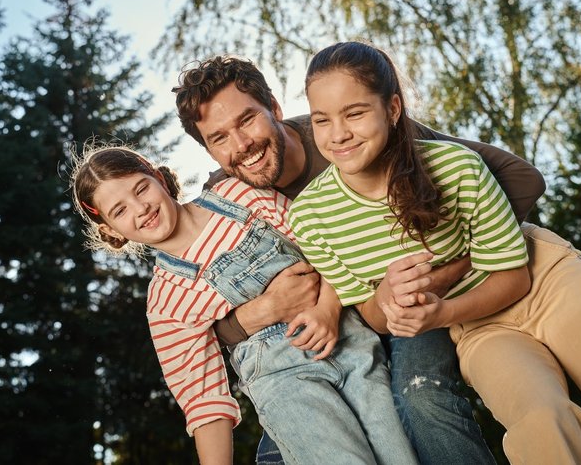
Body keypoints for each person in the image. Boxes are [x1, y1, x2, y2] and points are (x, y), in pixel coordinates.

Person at [286, 41, 581, 465]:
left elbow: (515, 278)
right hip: (477, 327)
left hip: (549, 283)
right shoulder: (311, 216)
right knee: (543, 427)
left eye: (354, 113)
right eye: (322, 119)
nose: (338, 134)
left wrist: (439, 311)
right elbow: (370, 314)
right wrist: (387, 295)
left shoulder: (457, 166)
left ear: (391, 109)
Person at [173, 55, 547, 464]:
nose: (241, 145)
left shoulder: (350, 135)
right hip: (328, 337)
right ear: (208, 150)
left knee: (419, 394)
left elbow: (521, 180)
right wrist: (266, 308)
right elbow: (208, 323)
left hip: (406, 311)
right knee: (278, 453)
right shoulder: (223, 203)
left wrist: (443, 270)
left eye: (247, 120)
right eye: (219, 138)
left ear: (275, 109)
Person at [69, 144, 418, 465]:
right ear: (111, 231)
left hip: (352, 344)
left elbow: (325, 243)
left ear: (159, 178)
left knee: (400, 456)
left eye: (141, 188)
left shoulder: (237, 195)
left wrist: (327, 306)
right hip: (284, 384)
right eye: (119, 210)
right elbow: (204, 401)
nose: (140, 207)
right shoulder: (166, 302)